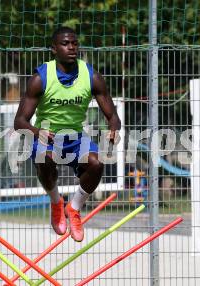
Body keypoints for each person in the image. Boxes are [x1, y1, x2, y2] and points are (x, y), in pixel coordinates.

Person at [14, 26, 121, 242]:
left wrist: (113, 130)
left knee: (96, 164)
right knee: (43, 157)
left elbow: (113, 116)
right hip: (47, 136)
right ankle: (56, 203)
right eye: (65, 43)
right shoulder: (40, 78)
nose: (71, 47)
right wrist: (37, 132)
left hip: (75, 138)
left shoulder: (92, 76)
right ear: (54, 48)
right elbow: (19, 122)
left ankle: (74, 208)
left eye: (74, 43)